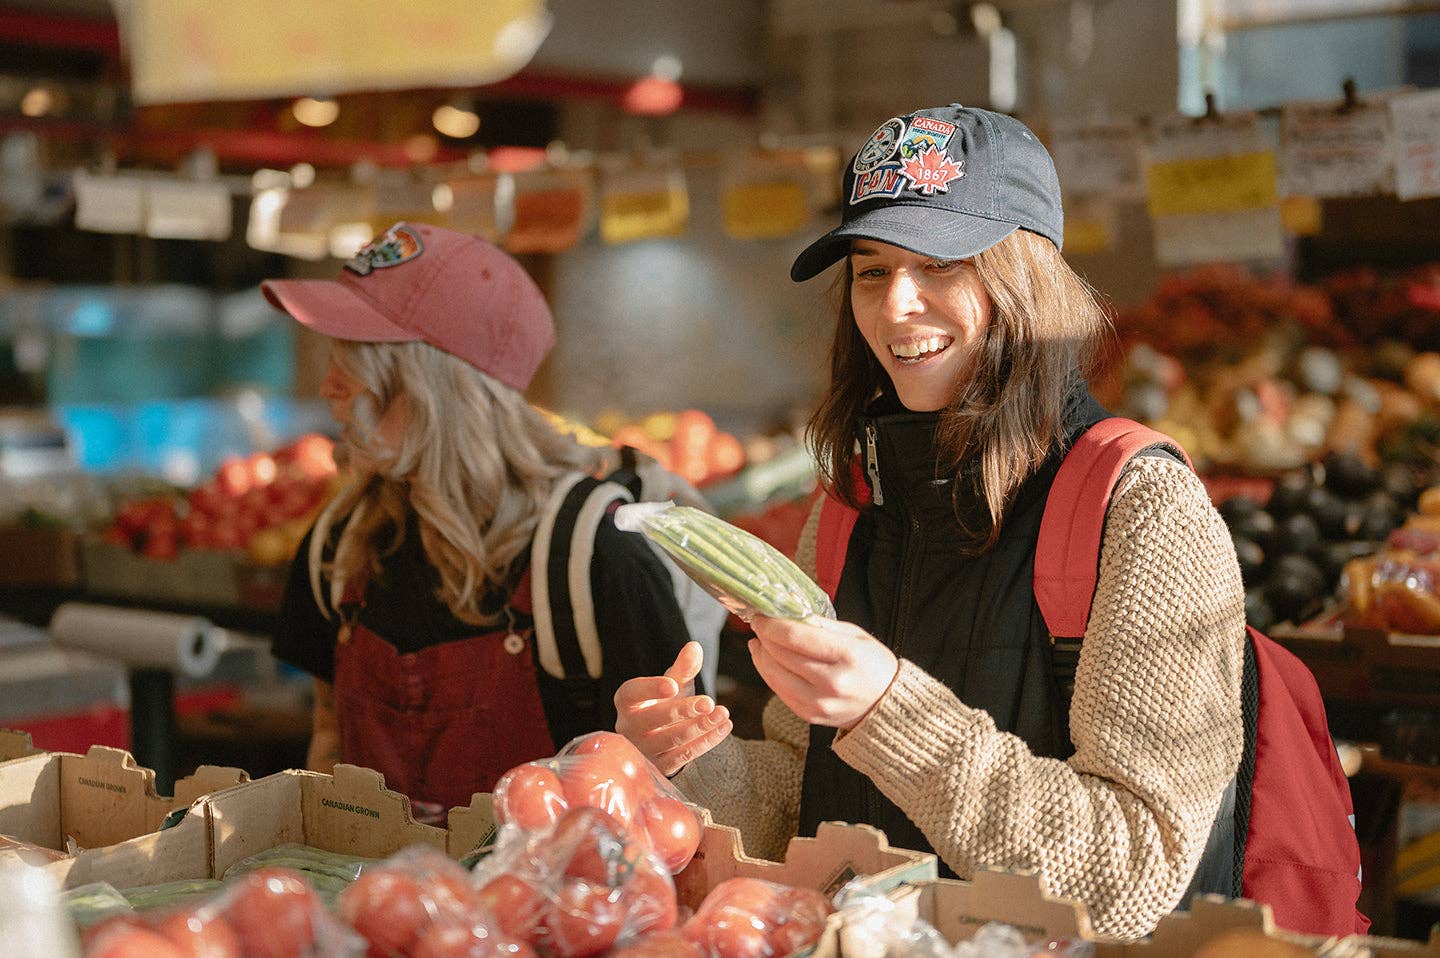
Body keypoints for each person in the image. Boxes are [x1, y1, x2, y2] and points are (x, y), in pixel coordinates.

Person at [615, 105, 1246, 940]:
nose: (896, 307)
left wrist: (887, 709)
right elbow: (807, 802)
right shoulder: (848, 507)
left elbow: (1137, 870)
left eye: (939, 264)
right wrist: (693, 763)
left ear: (1024, 275)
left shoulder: (1141, 511)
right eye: (871, 271)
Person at [264, 222, 699, 824]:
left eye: (357, 360)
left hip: (556, 912)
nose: (329, 386)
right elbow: (328, 744)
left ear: (438, 386)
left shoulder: (592, 556)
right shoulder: (342, 545)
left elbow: (678, 804)